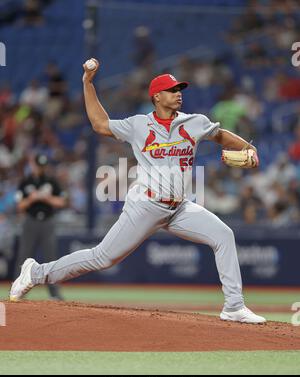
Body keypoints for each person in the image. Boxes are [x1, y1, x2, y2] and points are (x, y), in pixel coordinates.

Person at [10, 59, 266, 324]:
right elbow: (100, 124)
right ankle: (35, 273)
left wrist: (248, 147)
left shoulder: (194, 122)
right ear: (157, 96)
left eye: (179, 89)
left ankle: (234, 306)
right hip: (145, 205)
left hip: (180, 208)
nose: (178, 94)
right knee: (102, 258)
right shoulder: (138, 125)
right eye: (172, 90)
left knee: (224, 235)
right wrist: (87, 83)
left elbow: (220, 134)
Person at [13, 153, 67, 300]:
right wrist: (32, 198)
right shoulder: (25, 182)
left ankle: (54, 294)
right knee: (23, 257)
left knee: (51, 258)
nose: (40, 168)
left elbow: (62, 202)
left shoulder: (51, 181)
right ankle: (18, 291)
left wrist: (46, 198)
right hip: (30, 222)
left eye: (43, 166)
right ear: (33, 165)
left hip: (47, 222)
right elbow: (19, 206)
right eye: (38, 165)